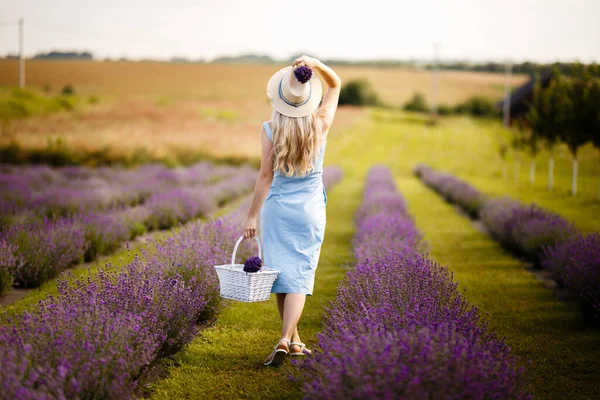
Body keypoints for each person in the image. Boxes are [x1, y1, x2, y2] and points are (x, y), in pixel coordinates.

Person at [242, 55, 341, 366]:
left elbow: (265, 176)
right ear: (307, 98)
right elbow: (335, 84)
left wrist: (251, 214)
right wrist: (316, 64)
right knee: (298, 275)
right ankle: (290, 339)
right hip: (310, 211)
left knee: (282, 275)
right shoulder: (321, 124)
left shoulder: (270, 129)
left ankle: (288, 339)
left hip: (277, 211)